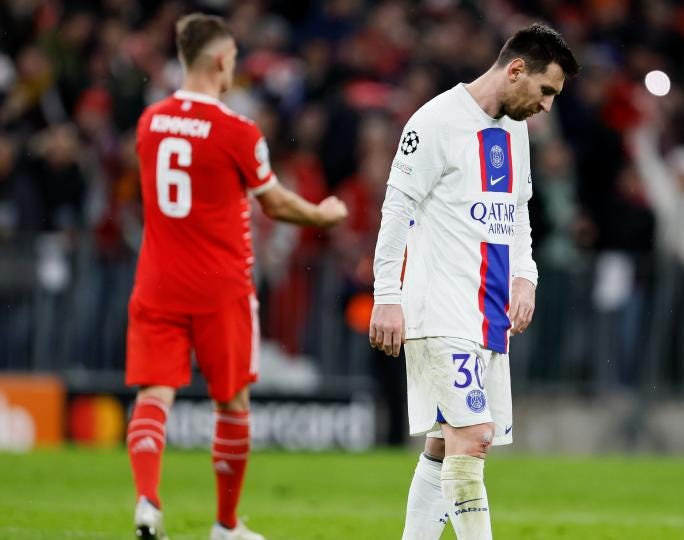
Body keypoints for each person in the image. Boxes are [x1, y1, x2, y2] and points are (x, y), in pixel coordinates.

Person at [124, 13, 347, 540]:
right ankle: (225, 526)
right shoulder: (237, 131)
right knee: (232, 401)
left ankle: (147, 500)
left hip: (157, 279)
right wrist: (322, 213)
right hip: (220, 284)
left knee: (154, 393)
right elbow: (274, 204)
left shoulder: (149, 121)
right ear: (223, 62)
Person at [369, 23, 579, 540]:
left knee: (443, 444)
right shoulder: (436, 121)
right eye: (546, 91)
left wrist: (526, 277)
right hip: (440, 307)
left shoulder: (515, 130)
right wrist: (386, 297)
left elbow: (518, 212)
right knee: (473, 437)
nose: (548, 106)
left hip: (487, 310)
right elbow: (397, 209)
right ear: (515, 70)